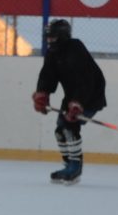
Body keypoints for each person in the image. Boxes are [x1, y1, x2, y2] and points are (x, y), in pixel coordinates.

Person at [32, 18, 107, 184]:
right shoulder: (52, 53)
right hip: (72, 95)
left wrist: (78, 103)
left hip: (91, 93)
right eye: (48, 37)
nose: (49, 41)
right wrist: (42, 94)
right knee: (60, 131)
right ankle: (67, 165)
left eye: (53, 37)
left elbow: (86, 80)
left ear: (62, 36)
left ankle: (75, 167)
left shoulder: (76, 49)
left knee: (69, 128)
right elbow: (47, 75)